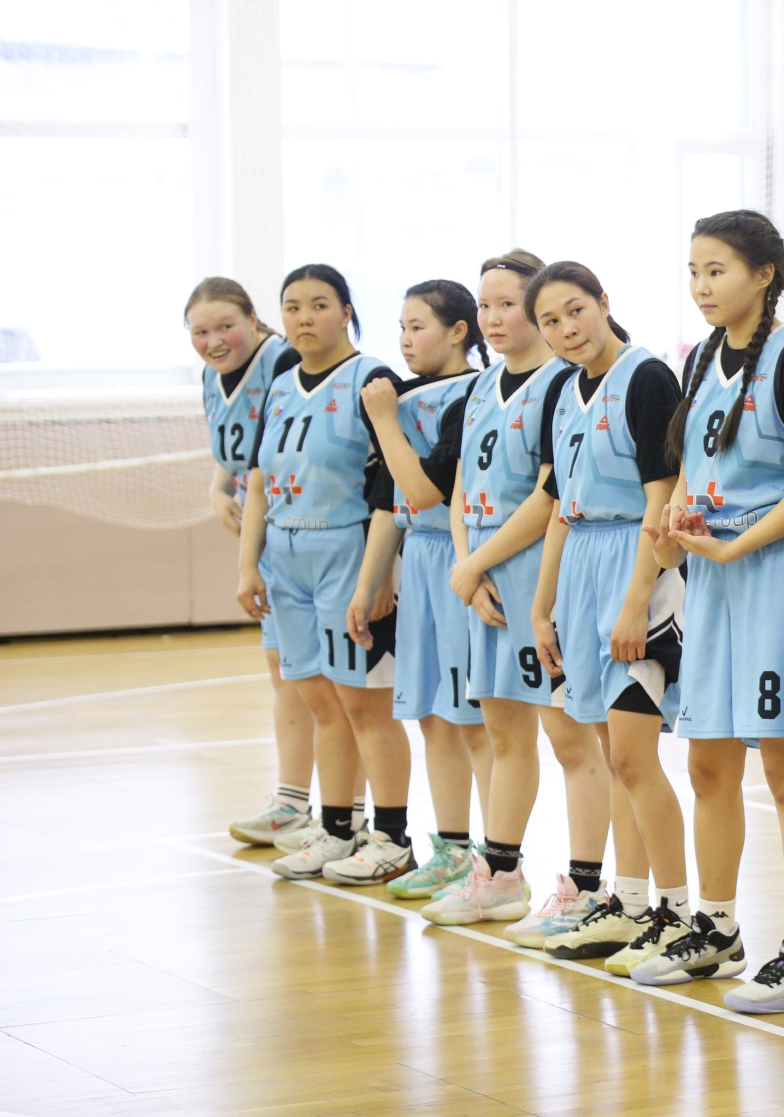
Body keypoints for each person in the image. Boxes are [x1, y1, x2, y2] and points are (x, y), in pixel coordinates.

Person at [638, 210, 784, 1013]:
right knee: (707, 765)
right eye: (693, 270)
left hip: (778, 576)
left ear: (764, 273)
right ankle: (717, 928)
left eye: (716, 269)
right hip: (714, 579)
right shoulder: (700, 357)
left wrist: (735, 543)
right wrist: (677, 522)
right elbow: (693, 465)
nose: (701, 285)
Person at [422, 251, 613, 938]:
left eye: (509, 304)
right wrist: (469, 567)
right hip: (485, 576)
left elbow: (547, 497)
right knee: (504, 735)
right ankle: (500, 876)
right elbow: (457, 490)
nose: (494, 318)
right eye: (486, 305)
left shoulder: (563, 382)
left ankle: (585, 888)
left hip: (540, 572)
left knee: (570, 739)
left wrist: (477, 565)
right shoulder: (480, 387)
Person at [509, 262, 691, 974]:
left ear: (604, 302)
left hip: (633, 562)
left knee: (634, 755)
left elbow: (662, 495)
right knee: (613, 754)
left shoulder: (647, 378)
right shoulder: (562, 389)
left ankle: (676, 910)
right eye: (550, 321)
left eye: (575, 310)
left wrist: (638, 597)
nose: (566, 329)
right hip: (580, 567)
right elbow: (560, 505)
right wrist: (542, 604)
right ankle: (630, 902)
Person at [236, 264, 411, 883]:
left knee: (364, 704)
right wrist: (248, 563)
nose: (304, 318)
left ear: (346, 312)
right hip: (286, 555)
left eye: (318, 305)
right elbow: (259, 480)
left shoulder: (374, 380)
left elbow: (393, 487)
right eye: (292, 307)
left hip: (347, 549)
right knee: (318, 700)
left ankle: (392, 836)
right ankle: (338, 828)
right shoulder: (281, 385)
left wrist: (379, 574)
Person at [348, 280, 491, 896]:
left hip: (462, 556)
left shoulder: (474, 393)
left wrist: (384, 420)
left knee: (474, 720)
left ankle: (497, 859)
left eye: (418, 326)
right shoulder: (403, 398)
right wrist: (368, 584)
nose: (405, 341)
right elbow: (390, 503)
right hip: (420, 559)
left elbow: (424, 491)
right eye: (401, 328)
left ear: (459, 331)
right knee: (432, 715)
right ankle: (451, 850)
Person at [187, 277, 320, 845]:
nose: (214, 340)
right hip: (265, 536)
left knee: (328, 683)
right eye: (200, 332)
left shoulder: (284, 362)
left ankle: (350, 816)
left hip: (309, 529)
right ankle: (292, 800)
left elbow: (272, 459)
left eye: (225, 326)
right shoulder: (211, 376)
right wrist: (219, 489)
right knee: (282, 668)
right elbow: (237, 451)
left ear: (252, 319)